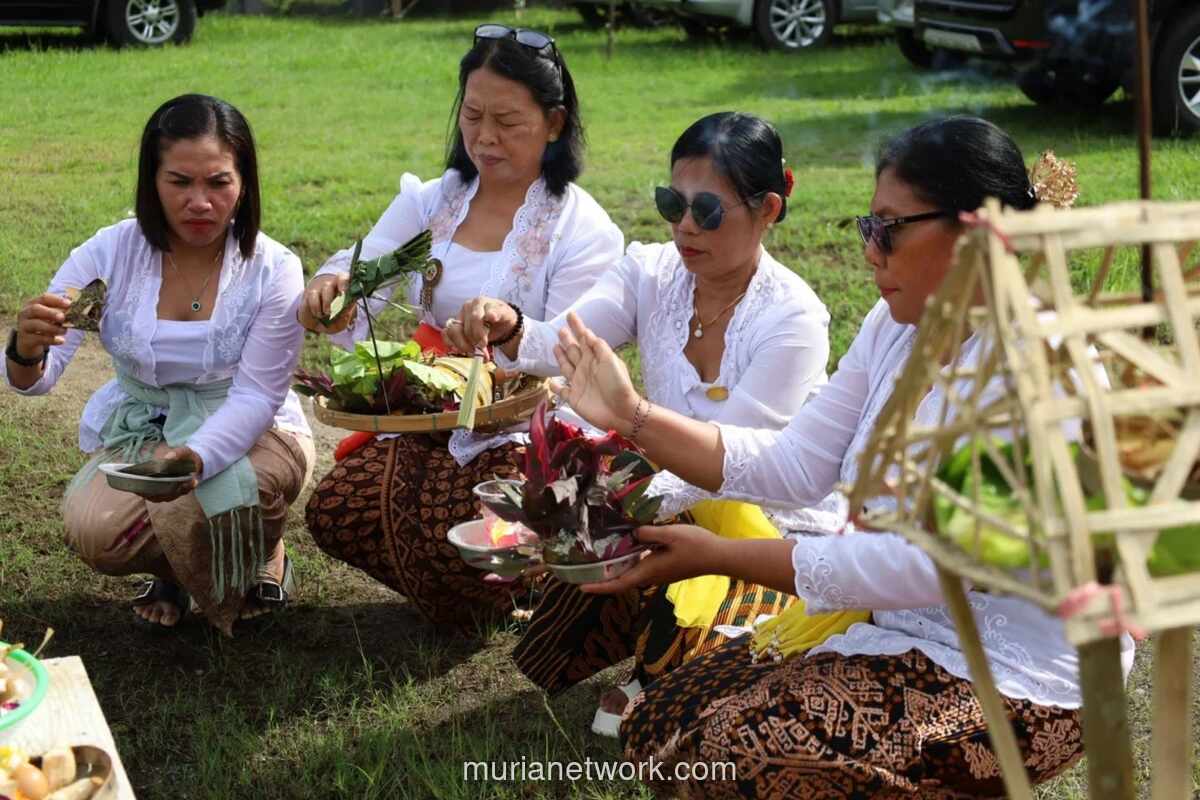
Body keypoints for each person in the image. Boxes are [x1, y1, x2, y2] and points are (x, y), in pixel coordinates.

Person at [549, 116, 1129, 796]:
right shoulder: (898, 326)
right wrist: (632, 416)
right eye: (867, 226)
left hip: (1018, 675)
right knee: (661, 728)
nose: (872, 252)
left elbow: (926, 566)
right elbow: (798, 463)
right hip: (897, 625)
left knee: (731, 753)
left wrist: (721, 555)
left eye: (891, 229)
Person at [446, 111, 835, 736]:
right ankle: (659, 651)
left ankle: (682, 660)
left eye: (707, 210)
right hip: (664, 491)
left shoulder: (794, 320)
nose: (684, 225)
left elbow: (726, 469)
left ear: (767, 209)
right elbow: (565, 341)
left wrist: (586, 511)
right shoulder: (650, 272)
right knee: (601, 538)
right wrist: (511, 325)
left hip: (767, 519)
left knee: (689, 679)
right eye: (671, 203)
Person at [298, 25, 623, 627]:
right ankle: (481, 591)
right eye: (472, 116)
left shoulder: (583, 230)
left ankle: (513, 583)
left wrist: (510, 330)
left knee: (479, 531)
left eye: (508, 121)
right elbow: (364, 268)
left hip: (527, 426)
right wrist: (333, 288)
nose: (484, 136)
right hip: (430, 413)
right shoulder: (433, 201)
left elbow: (570, 350)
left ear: (554, 123)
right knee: (336, 511)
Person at [5, 94, 313, 636]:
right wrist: (24, 348)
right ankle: (175, 570)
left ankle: (266, 552)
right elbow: (38, 379)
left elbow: (258, 396)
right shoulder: (107, 254)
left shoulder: (274, 268)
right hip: (146, 426)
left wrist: (196, 456)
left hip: (257, 429)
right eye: (179, 182)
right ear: (152, 181)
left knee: (214, 496)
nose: (200, 202)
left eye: (218, 182)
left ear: (244, 184)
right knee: (96, 530)